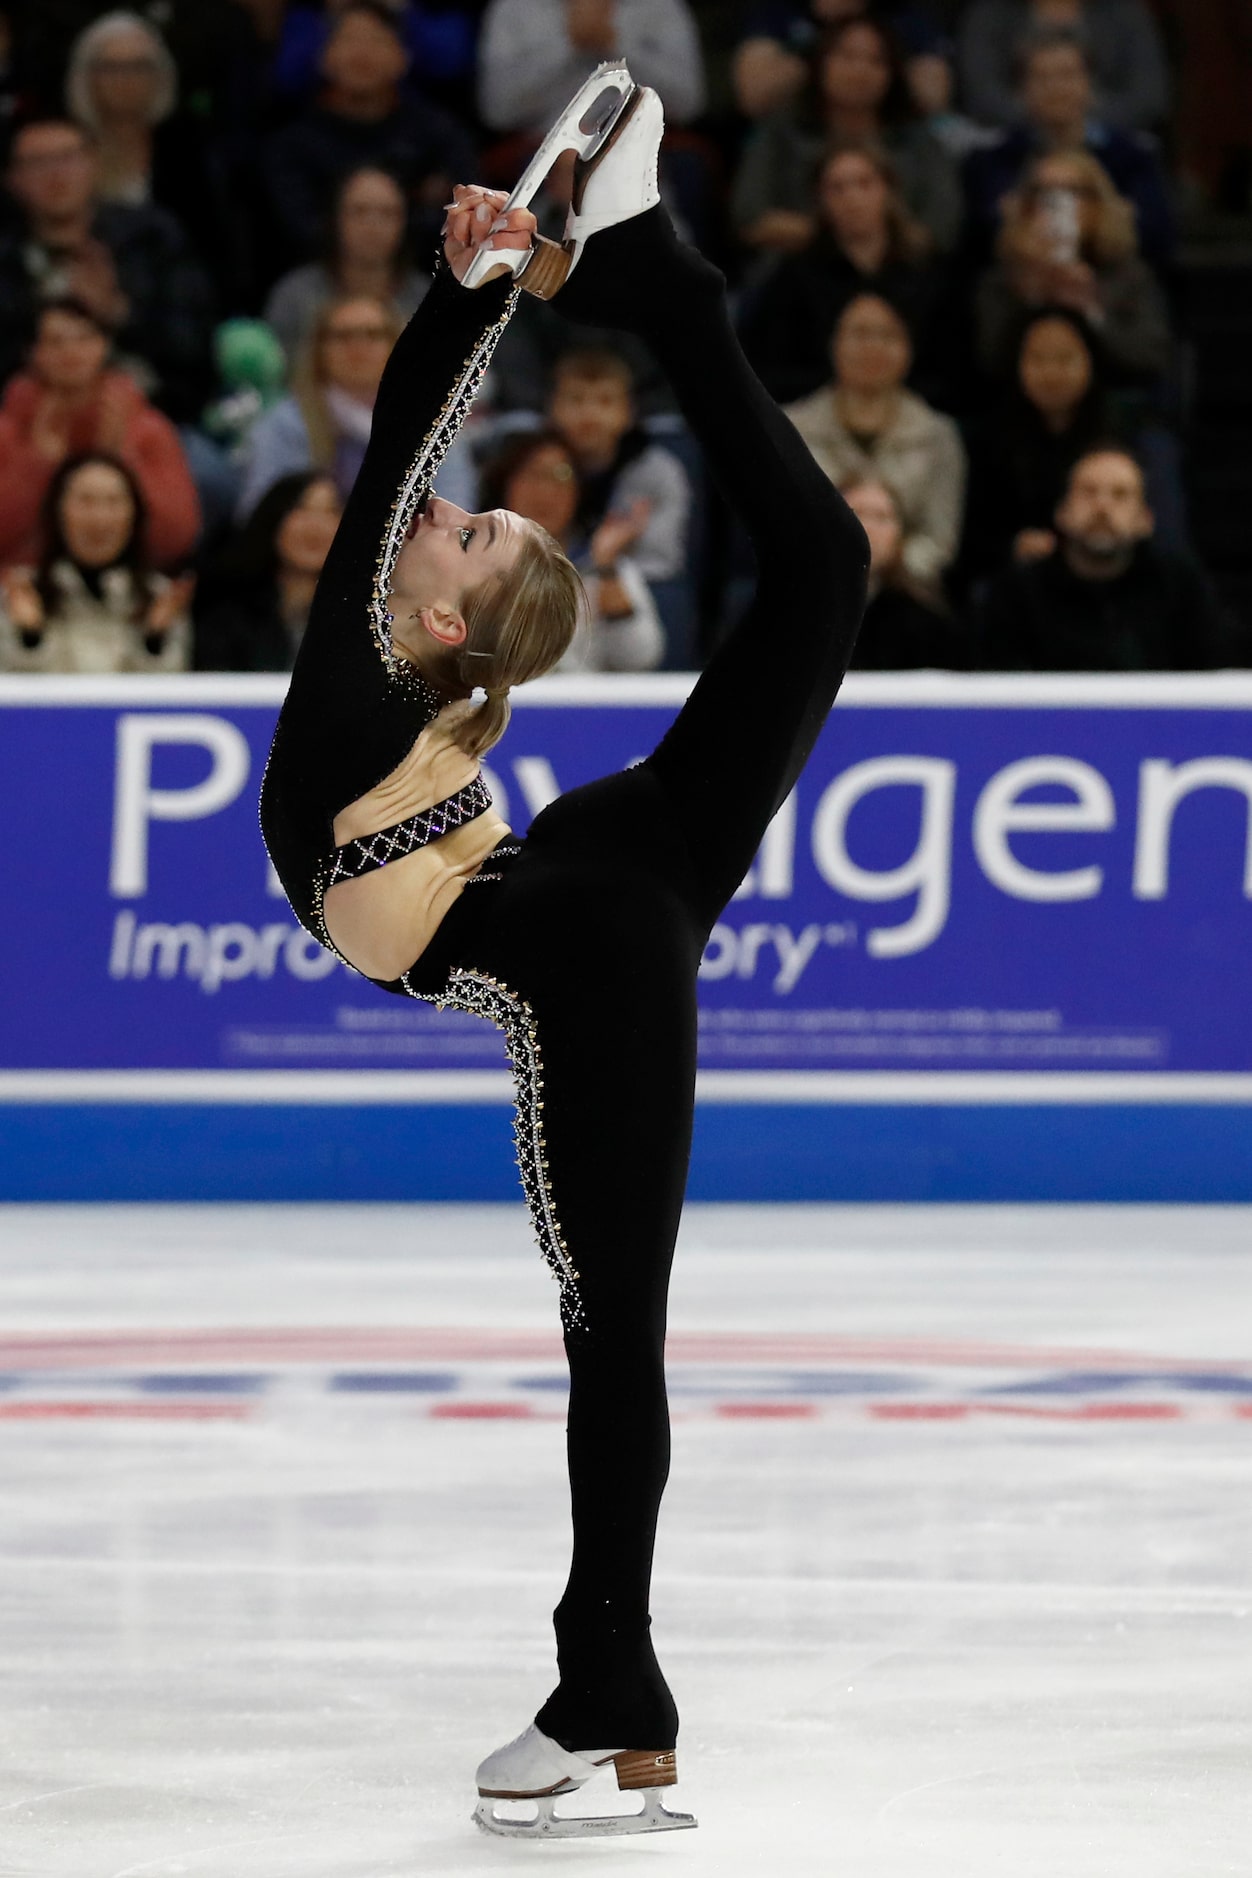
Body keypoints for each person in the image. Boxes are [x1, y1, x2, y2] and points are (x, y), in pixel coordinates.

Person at [258, 70, 868, 1834]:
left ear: (444, 611)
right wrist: (502, 277)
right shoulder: (387, 711)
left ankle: (613, 1673)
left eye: (468, 528)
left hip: (581, 923)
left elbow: (388, 452)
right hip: (592, 884)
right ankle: (659, 266)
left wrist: (485, 286)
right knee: (819, 569)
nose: (444, 509)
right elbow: (400, 459)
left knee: (618, 1325)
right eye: (473, 512)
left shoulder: (367, 699)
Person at [0, 118, 215, 424]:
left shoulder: (152, 238)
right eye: (37, 163)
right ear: (12, 179)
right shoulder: (7, 260)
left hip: (153, 416)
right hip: (27, 424)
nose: (56, 174)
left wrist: (118, 312)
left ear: (94, 164)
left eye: (68, 158)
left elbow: (194, 351)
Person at [973, 445, 1235, 669]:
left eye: (1120, 495)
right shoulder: (1018, 592)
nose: (1102, 506)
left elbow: (1212, 679)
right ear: (1062, 512)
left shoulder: (1180, 588)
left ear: (1146, 520)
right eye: (1088, 492)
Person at [261, 0, 477, 269]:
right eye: (349, 39)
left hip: (422, 275)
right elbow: (299, 229)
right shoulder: (292, 147)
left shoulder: (439, 136)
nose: (362, 53)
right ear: (324, 57)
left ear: (403, 57)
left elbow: (466, 216)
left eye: (377, 40)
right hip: (321, 278)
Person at [731, 14, 964, 258]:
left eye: (876, 60)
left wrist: (879, 241)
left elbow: (942, 226)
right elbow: (748, 216)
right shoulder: (781, 132)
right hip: (796, 269)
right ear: (820, 63)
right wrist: (841, 235)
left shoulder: (918, 138)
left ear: (893, 72)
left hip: (900, 274)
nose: (859, 70)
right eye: (847, 56)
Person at [737, 141, 946, 404]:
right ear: (820, 199)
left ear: (889, 190)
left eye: (864, 183)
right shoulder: (792, 278)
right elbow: (767, 371)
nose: (852, 198)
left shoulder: (927, 272)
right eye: (837, 188)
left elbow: (951, 374)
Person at [0, 297, 199, 570]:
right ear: (34, 353)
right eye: (56, 341)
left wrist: (121, 461)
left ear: (104, 346)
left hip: (126, 588)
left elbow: (176, 539)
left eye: (84, 338)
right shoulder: (7, 433)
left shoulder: (148, 430)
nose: (71, 351)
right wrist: (37, 464)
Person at [785, 291, 965, 591]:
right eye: (859, 334)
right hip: (810, 589)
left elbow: (939, 540)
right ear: (834, 343)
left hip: (906, 594)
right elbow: (779, 527)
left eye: (887, 335)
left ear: (909, 349)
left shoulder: (938, 435)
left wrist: (892, 559)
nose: (872, 347)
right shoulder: (790, 427)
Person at [62, 10, 240, 293]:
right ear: (85, 77)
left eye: (140, 66)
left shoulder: (190, 156)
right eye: (111, 68)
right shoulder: (62, 151)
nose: (126, 80)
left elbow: (214, 253)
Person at [962, 28, 1174, 265]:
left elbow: (1157, 237)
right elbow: (984, 234)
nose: (1056, 88)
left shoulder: (1132, 157)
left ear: (1090, 84)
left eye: (1068, 74)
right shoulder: (993, 160)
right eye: (1041, 77)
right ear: (1021, 91)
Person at [974, 147, 1171, 382]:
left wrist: (1090, 311)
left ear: (1098, 203)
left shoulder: (1130, 275)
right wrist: (1033, 298)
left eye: (1071, 192)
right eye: (1044, 193)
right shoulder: (1003, 278)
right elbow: (988, 362)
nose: (1058, 205)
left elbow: (1150, 359)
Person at [479, 427, 664, 669]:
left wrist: (606, 569)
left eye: (561, 475)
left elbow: (640, 659)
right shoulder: (475, 564)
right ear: (505, 484)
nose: (546, 491)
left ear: (579, 492)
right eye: (533, 474)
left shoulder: (605, 567)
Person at [0, 450, 192, 672]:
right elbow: (12, 698)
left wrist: (154, 641)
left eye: (113, 502)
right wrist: (30, 638)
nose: (99, 518)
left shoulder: (160, 596)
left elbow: (171, 697)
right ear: (58, 510)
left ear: (134, 514)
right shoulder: (21, 592)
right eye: (85, 501)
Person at [235, 295, 403, 518]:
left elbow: (451, 502)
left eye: (372, 334)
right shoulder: (283, 424)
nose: (358, 347)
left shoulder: (429, 421)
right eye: (342, 336)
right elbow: (258, 516)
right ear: (319, 349)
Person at [546, 346, 690, 585]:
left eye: (605, 401)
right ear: (552, 407)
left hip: (631, 593)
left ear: (629, 412)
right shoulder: (529, 468)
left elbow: (661, 562)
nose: (589, 414)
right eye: (576, 399)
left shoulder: (659, 472)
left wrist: (605, 563)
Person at [263, 163, 431, 363]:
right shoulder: (294, 296)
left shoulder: (428, 300)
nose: (373, 225)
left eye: (388, 213)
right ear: (335, 219)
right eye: (359, 211)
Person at [477, 0, 706, 133]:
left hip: (640, 145)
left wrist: (613, 44)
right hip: (542, 152)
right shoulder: (513, 9)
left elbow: (689, 104)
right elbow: (496, 111)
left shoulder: (660, 7)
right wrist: (569, 46)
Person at [194, 471, 343, 671]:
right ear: (274, 519)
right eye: (301, 509)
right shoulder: (229, 617)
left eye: (330, 511)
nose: (315, 526)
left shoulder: (363, 617)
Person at [958, 0, 1169, 133]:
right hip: (1013, 140)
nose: (1057, 86)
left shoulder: (1125, 12)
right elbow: (981, 95)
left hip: (1107, 139)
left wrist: (1079, 127)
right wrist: (1044, 124)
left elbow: (1148, 97)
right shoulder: (990, 12)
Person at [842, 473, 962, 667]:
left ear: (900, 533)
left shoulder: (926, 622)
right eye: (856, 513)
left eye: (881, 517)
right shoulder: (804, 611)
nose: (868, 528)